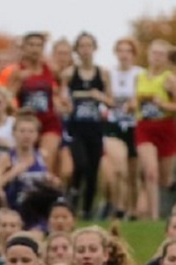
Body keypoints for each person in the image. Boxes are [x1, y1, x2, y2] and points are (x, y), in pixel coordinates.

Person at [135, 40, 176, 222]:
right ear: (148, 55)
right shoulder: (140, 77)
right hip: (145, 128)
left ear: (167, 58)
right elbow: (135, 102)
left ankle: (170, 180)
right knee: (151, 172)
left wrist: (164, 104)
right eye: (154, 53)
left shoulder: (170, 79)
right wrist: (132, 105)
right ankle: (154, 216)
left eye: (161, 54)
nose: (156, 57)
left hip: (166, 128)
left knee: (164, 179)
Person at [62, 33, 111, 220]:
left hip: (95, 128)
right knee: (80, 164)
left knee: (93, 170)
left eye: (89, 45)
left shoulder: (102, 73)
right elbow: (62, 98)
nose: (85, 50)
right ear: (77, 49)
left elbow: (111, 101)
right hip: (76, 129)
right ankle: (73, 194)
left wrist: (100, 97)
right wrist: (67, 104)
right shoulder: (69, 74)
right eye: (82, 46)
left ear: (95, 48)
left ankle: (87, 210)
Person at [0, 111, 58, 231]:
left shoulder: (42, 156)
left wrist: (52, 181)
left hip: (38, 211)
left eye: (31, 131)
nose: (26, 136)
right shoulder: (7, 158)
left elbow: (49, 178)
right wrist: (12, 173)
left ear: (37, 135)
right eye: (22, 131)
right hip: (14, 212)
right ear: (14, 133)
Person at [9, 32, 62, 169]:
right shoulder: (17, 72)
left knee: (46, 160)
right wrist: (19, 83)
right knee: (27, 162)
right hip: (27, 122)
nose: (35, 49)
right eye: (31, 45)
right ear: (24, 48)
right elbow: (8, 98)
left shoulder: (51, 69)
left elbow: (60, 89)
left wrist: (60, 101)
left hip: (49, 121)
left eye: (39, 45)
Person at [103, 38, 142, 221]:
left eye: (128, 51)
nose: (124, 55)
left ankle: (133, 210)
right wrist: (108, 101)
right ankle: (118, 207)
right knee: (120, 169)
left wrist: (134, 103)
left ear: (134, 54)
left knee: (133, 173)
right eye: (120, 51)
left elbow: (141, 97)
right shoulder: (109, 73)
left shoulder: (140, 73)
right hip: (114, 124)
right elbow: (107, 97)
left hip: (134, 125)